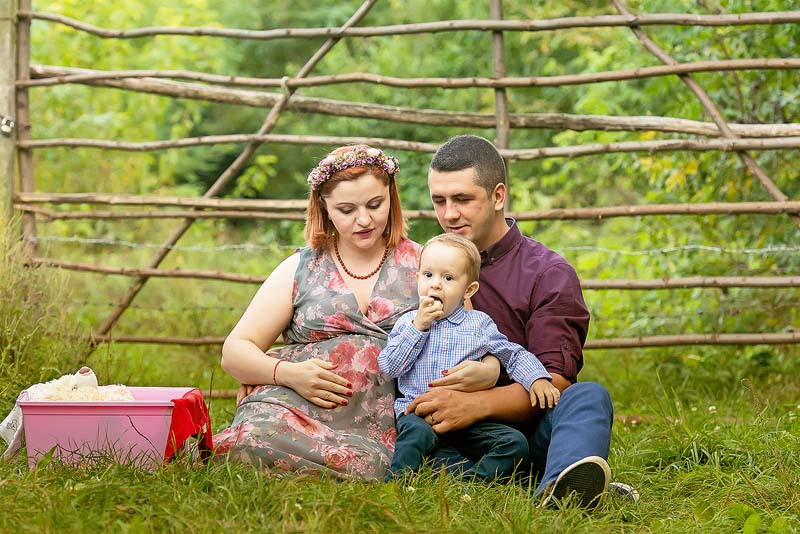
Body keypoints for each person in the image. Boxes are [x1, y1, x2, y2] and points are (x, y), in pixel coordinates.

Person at [213, 144, 500, 480]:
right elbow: (235, 352)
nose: (364, 220)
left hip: (382, 422)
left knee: (376, 469)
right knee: (251, 443)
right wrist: (286, 374)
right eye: (347, 209)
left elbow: (473, 334)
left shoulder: (429, 265)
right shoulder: (302, 267)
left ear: (391, 198)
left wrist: (491, 370)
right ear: (324, 207)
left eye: (375, 205)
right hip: (296, 404)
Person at [407, 135, 614, 508]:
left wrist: (476, 403)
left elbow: (557, 379)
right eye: (440, 200)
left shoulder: (548, 272)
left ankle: (560, 487)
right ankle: (460, 477)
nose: (449, 213)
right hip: (445, 435)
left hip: (529, 432)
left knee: (588, 396)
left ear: (498, 196)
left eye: (463, 199)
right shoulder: (428, 266)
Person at [379, 233, 560, 481]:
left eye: (449, 278)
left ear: (469, 290)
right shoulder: (408, 323)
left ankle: (470, 484)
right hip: (421, 414)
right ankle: (397, 484)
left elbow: (512, 355)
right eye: (428, 275)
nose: (435, 285)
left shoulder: (479, 324)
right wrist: (418, 328)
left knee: (514, 444)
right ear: (417, 278)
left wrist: (537, 378)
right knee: (415, 438)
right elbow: (390, 367)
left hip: (466, 417)